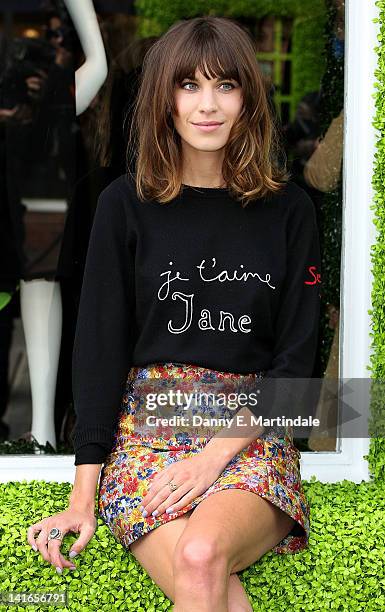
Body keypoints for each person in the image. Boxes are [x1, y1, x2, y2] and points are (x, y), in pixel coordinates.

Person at [27, 16, 321, 611]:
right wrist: (82, 497)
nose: (207, 105)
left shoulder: (289, 212)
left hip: (249, 434)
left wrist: (213, 455)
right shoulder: (124, 205)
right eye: (189, 86)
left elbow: (298, 366)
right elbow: (99, 352)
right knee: (208, 580)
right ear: (164, 98)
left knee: (199, 554)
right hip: (146, 432)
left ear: (248, 98)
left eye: (225, 86)